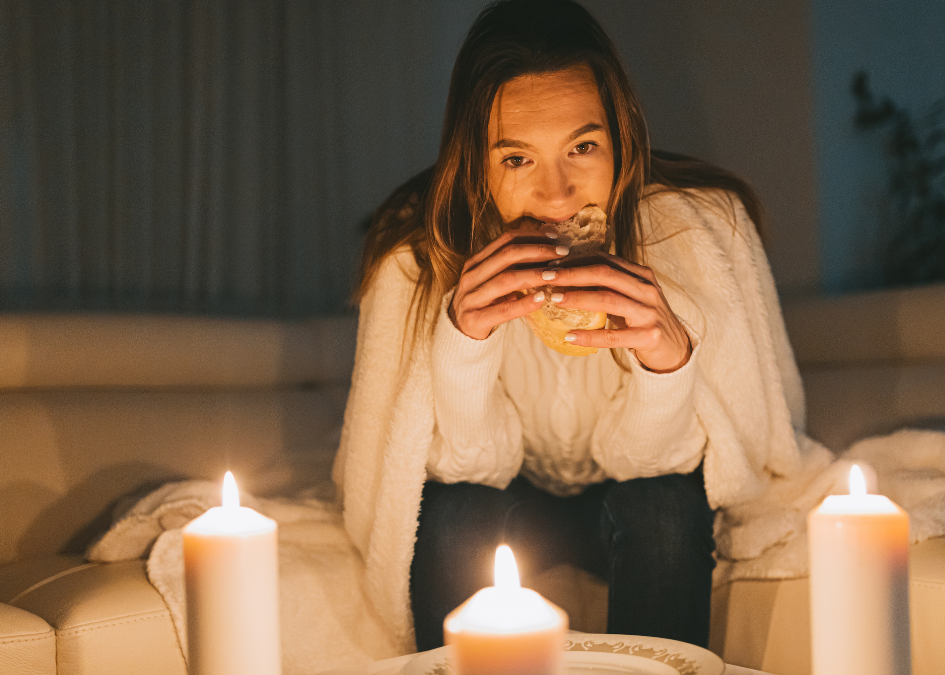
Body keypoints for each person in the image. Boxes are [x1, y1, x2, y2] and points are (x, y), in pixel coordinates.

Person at [333, 0, 806, 654]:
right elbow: (459, 466)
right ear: (477, 164)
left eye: (582, 147)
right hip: (504, 497)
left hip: (636, 491)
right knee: (448, 515)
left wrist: (665, 362)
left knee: (666, 505)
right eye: (518, 159)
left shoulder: (694, 232)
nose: (557, 196)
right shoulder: (420, 257)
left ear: (622, 141)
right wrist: (465, 338)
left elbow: (665, 461)